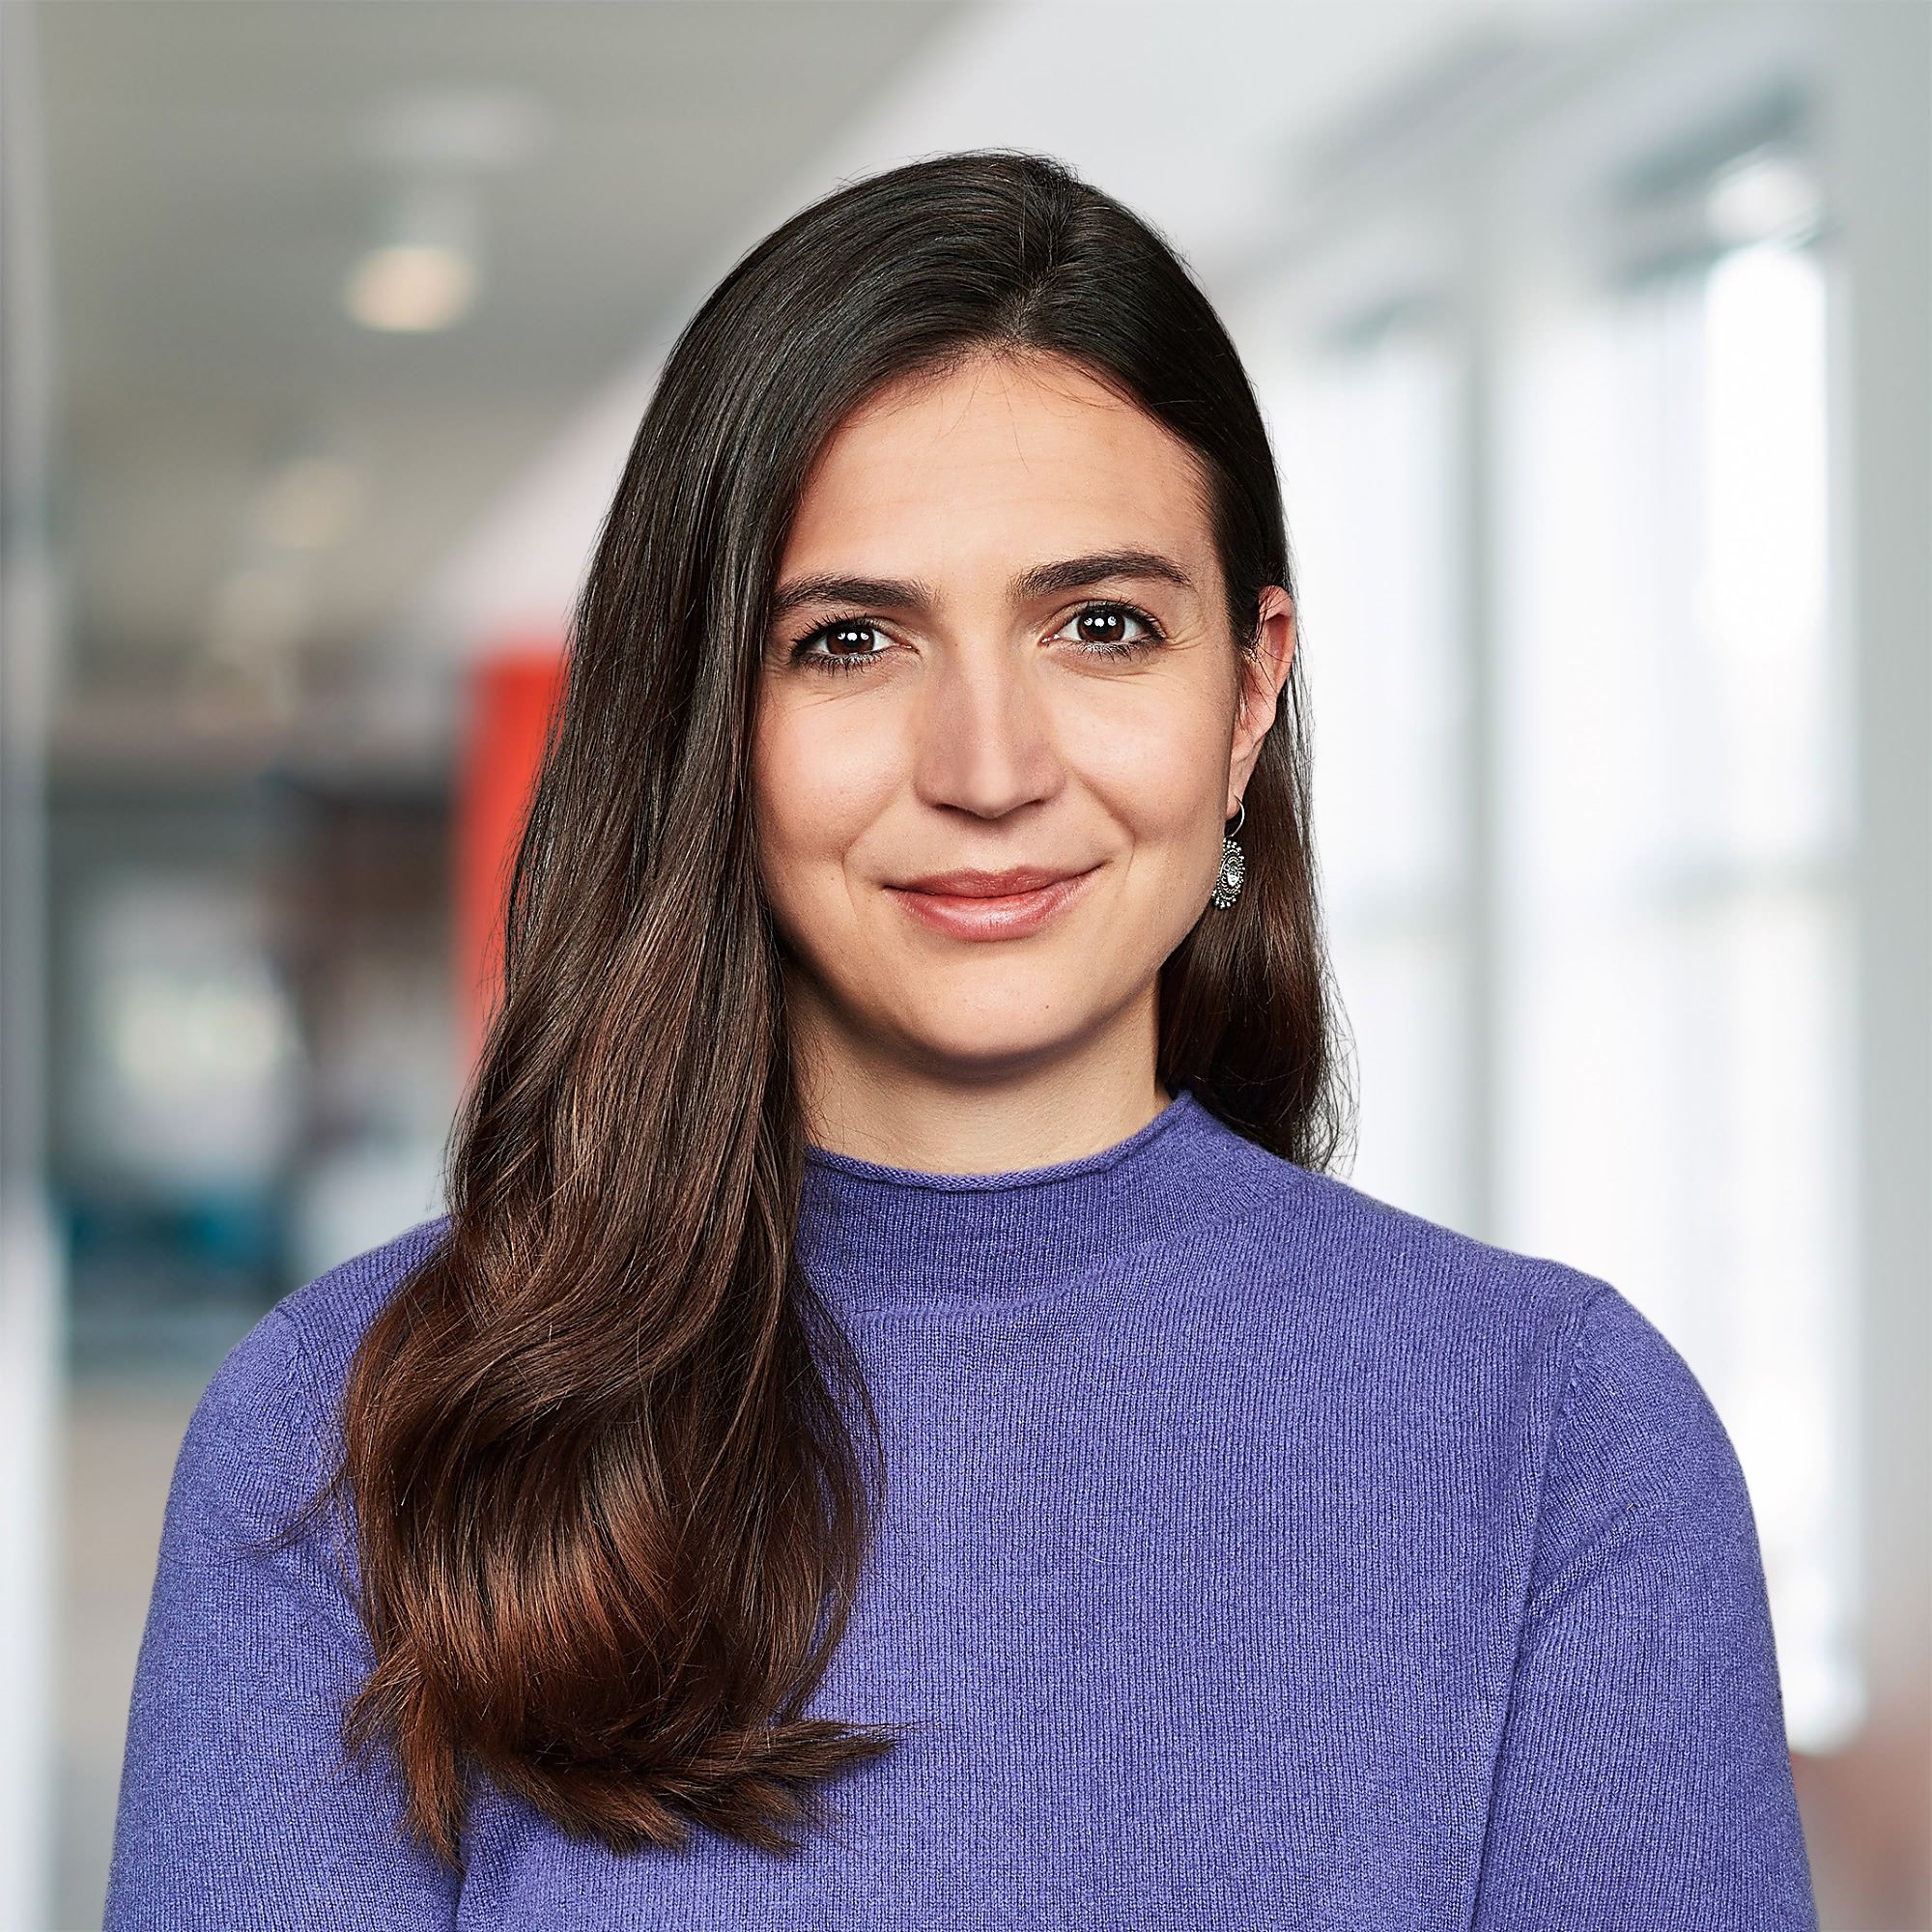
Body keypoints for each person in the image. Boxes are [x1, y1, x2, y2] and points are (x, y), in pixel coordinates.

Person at [104, 150, 1818, 1930]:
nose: (988, 768)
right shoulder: (346, 1440)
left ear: (1247, 693)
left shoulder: (1562, 1442)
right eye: (850, 641)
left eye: (1101, 628)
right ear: (707, 719)